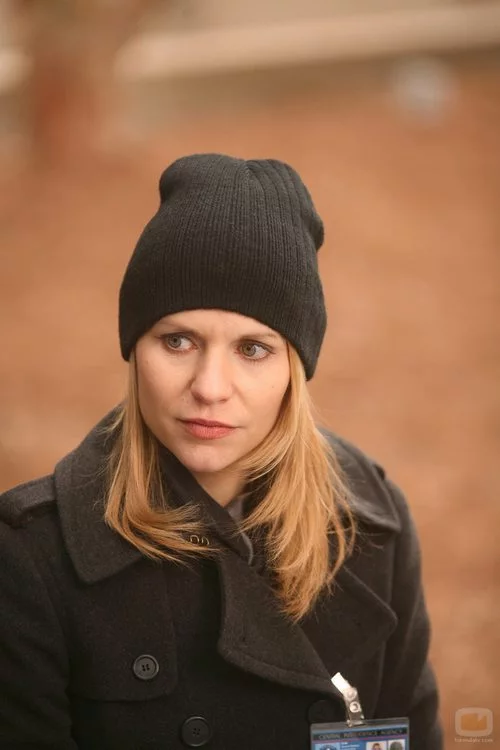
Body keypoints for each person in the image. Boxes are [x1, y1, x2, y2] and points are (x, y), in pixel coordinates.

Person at [0, 153, 443, 750]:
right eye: (178, 341)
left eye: (253, 349)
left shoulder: (372, 527)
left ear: (295, 368)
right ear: (134, 348)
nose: (210, 387)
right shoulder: (31, 558)